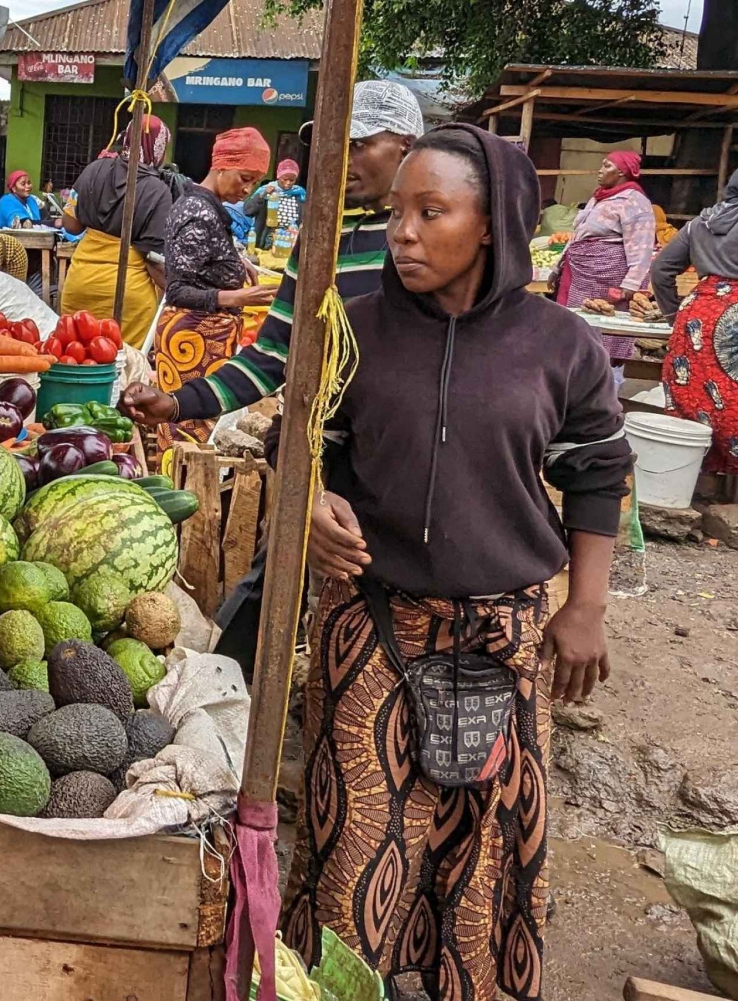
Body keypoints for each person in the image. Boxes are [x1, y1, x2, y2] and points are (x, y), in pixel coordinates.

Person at [280, 123, 631, 1001]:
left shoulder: (561, 346)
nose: (401, 231)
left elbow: (597, 476)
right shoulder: (350, 331)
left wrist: (584, 607)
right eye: (396, 209)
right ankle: (330, 988)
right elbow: (305, 449)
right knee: (355, 839)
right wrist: (313, 506)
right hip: (374, 621)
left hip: (501, 635)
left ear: (491, 224)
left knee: (483, 850)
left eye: (429, 211)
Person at [120, 80, 426, 675]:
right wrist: (177, 401)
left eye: (360, 144)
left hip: (404, 463)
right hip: (324, 452)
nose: (343, 159)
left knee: (379, 608)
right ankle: (220, 692)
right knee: (274, 575)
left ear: (408, 148)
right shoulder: (324, 233)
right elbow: (275, 352)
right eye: (334, 145)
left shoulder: (429, 240)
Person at [150, 128, 276, 454]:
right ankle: (180, 497)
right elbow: (177, 289)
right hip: (191, 340)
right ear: (221, 165)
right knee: (187, 436)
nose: (248, 189)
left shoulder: (209, 208)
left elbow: (203, 262)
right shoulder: (197, 211)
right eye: (244, 177)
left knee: (195, 433)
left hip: (202, 340)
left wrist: (237, 261)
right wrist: (237, 297)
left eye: (257, 182)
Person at [60, 116, 176, 347]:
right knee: (124, 369)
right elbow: (154, 261)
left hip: (80, 283)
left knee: (76, 358)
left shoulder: (93, 169)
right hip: (128, 295)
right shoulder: (159, 190)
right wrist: (181, 290)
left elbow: (71, 225)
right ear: (159, 148)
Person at [651, 168, 738, 472]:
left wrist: (674, 315)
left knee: (693, 393)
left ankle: (690, 474)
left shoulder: (700, 223)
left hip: (697, 315)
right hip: (734, 319)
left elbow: (661, 270)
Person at [552, 151, 656, 365]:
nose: (600, 170)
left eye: (607, 166)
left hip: (607, 277)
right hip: (579, 275)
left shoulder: (634, 201)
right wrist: (558, 267)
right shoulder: (599, 197)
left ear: (622, 172)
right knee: (572, 324)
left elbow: (642, 245)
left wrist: (631, 282)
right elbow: (578, 235)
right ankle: (571, 372)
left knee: (603, 331)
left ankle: (602, 379)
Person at [244, 158, 307, 251]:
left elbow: (303, 219)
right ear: (278, 176)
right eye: (284, 179)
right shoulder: (266, 190)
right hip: (267, 240)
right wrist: (263, 194)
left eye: (292, 180)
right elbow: (248, 211)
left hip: (289, 240)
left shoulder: (299, 194)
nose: (288, 183)